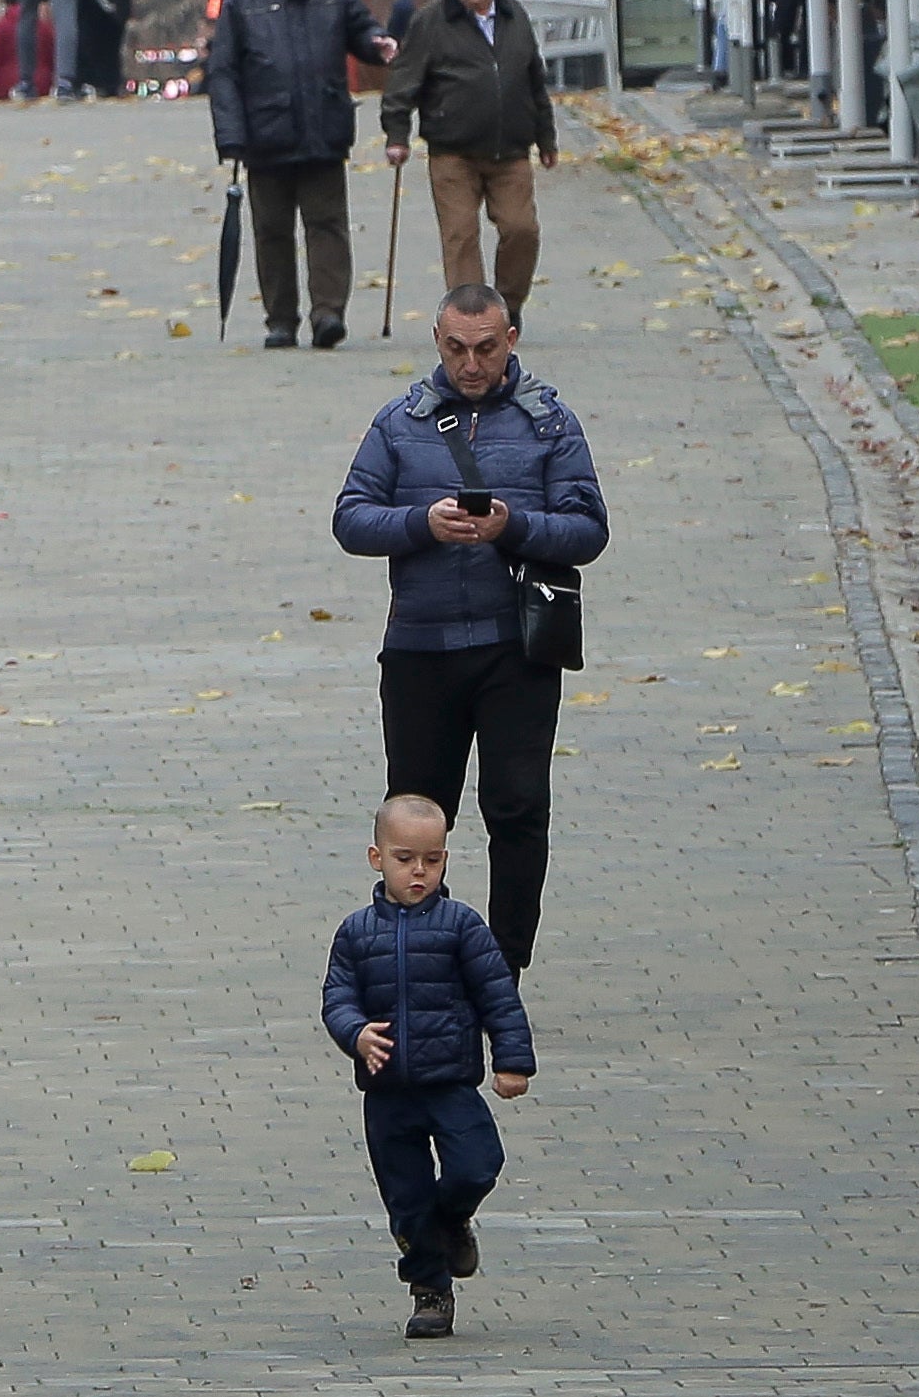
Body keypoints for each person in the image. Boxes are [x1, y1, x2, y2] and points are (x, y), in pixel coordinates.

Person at [334, 284, 610, 968]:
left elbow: (587, 529)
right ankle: (423, 959)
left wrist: (511, 525)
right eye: (455, 347)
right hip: (419, 648)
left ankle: (503, 964)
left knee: (516, 809)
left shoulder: (549, 423)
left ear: (510, 339)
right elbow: (349, 516)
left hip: (515, 647)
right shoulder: (400, 421)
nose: (471, 363)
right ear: (436, 340)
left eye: (486, 347)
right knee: (417, 816)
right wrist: (419, 523)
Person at [322, 792, 534, 1342]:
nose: (419, 871)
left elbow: (498, 997)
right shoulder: (355, 933)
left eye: (433, 859)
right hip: (388, 1093)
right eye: (404, 858)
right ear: (376, 858)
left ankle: (452, 1218)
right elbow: (337, 997)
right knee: (406, 1200)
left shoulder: (461, 926)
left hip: (450, 1083)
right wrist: (355, 1032)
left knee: (478, 1164)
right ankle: (431, 1292)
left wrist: (511, 1060)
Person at [204, 0, 399, 350]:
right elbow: (224, 72)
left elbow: (361, 28)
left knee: (327, 226)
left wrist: (377, 44)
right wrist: (230, 135)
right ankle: (281, 320)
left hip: (322, 128)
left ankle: (328, 313)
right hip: (265, 134)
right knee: (271, 231)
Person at [381, 0, 558, 323]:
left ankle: (507, 308)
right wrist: (397, 136)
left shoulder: (514, 17)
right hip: (453, 152)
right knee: (461, 235)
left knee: (521, 229)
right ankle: (473, 319)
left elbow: (534, 81)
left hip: (510, 149)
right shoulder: (431, 22)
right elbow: (402, 83)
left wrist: (546, 138)